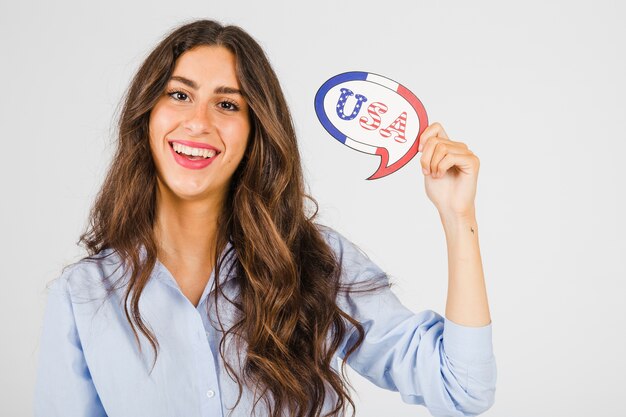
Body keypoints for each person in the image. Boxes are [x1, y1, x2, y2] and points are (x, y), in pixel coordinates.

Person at [34, 19, 496, 417]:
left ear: (256, 130)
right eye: (179, 95)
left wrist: (459, 218)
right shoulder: (82, 296)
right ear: (146, 115)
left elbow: (461, 389)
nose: (198, 122)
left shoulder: (315, 260)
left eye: (228, 104)